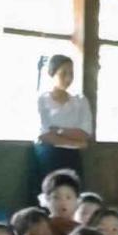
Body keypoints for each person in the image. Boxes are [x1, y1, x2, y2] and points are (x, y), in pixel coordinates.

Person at [33, 54, 92, 191]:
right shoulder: (41, 100)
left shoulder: (80, 101)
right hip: (48, 156)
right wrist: (76, 143)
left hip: (72, 158)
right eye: (63, 73)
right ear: (52, 73)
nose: (68, 78)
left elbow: (85, 133)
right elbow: (44, 135)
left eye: (71, 73)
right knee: (49, 195)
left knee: (72, 194)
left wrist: (59, 130)